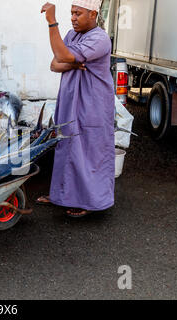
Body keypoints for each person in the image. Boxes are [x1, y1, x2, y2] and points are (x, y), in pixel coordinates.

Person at [36, 1, 115, 218]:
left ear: (93, 14)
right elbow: (55, 63)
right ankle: (62, 195)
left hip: (93, 104)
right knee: (65, 145)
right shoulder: (72, 35)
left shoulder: (100, 38)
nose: (73, 18)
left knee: (89, 151)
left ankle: (89, 201)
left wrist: (52, 22)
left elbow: (62, 57)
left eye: (78, 13)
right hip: (70, 101)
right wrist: (73, 62)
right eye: (71, 13)